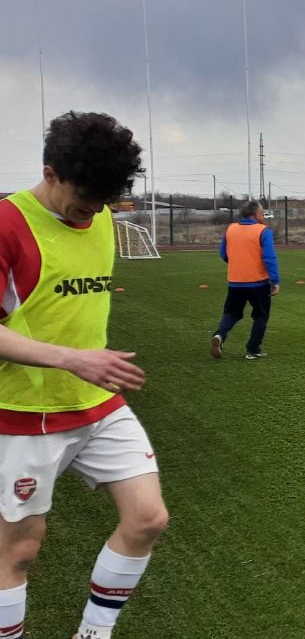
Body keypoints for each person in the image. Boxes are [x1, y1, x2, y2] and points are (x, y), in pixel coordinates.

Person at [0, 111, 168, 639]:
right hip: (24, 414)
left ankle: (93, 634)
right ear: (50, 173)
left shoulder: (99, 218)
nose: (93, 210)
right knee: (19, 551)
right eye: (85, 196)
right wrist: (73, 358)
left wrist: (86, 364)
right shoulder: (8, 226)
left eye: (104, 199)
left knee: (148, 519)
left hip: (96, 403)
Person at [209, 202, 281, 361]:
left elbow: (223, 254)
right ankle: (253, 349)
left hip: (235, 281)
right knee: (260, 316)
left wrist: (237, 264)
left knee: (231, 313)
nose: (263, 216)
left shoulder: (231, 229)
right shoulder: (263, 231)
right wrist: (275, 280)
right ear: (256, 215)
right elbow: (269, 258)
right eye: (262, 213)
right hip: (258, 282)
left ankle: (220, 335)